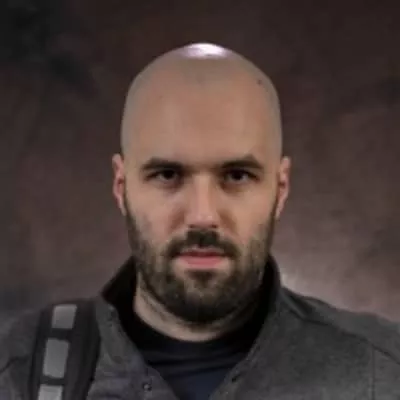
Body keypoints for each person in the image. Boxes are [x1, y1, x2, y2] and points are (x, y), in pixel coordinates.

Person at [1, 42, 400, 400]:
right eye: (168, 175)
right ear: (121, 188)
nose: (203, 216)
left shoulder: (382, 374)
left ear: (280, 189)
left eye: (237, 176)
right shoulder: (16, 373)